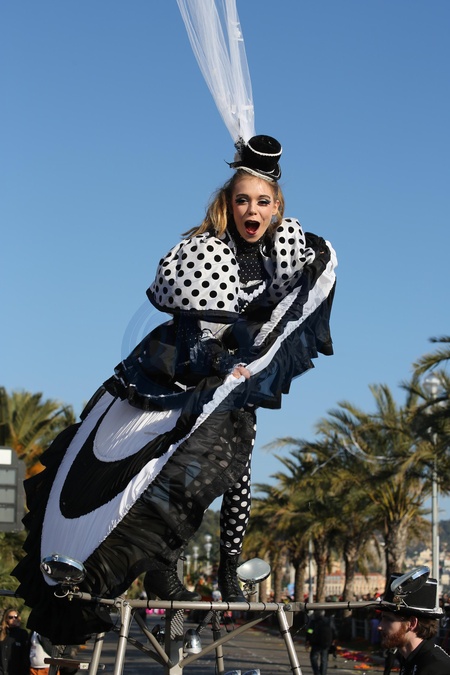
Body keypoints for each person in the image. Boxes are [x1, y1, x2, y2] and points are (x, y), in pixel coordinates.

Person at [13, 134, 336, 645]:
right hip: (182, 371)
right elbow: (194, 335)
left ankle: (229, 567)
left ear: (277, 208)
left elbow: (287, 311)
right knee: (167, 468)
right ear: (228, 204)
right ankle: (162, 566)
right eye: (242, 200)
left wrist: (243, 363)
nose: (252, 210)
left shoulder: (286, 256)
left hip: (232, 380)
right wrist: (221, 361)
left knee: (236, 467)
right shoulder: (206, 253)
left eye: (262, 201)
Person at [378, 572, 450, 674]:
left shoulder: (435, 668)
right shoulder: (412, 659)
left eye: (388, 619)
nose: (380, 626)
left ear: (412, 623)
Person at [305, 609, 337, 675]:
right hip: (326, 642)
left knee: (313, 658)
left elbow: (310, 631)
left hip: (315, 643)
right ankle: (323, 673)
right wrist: (334, 639)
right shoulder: (329, 621)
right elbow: (333, 630)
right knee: (324, 659)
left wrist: (308, 640)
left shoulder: (313, 622)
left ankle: (317, 673)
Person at [0, 607, 29, 675]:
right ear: (6, 619)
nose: (14, 619)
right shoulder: (2, 634)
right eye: (11, 617)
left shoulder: (22, 633)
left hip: (16, 671)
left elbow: (25, 655)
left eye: (16, 617)